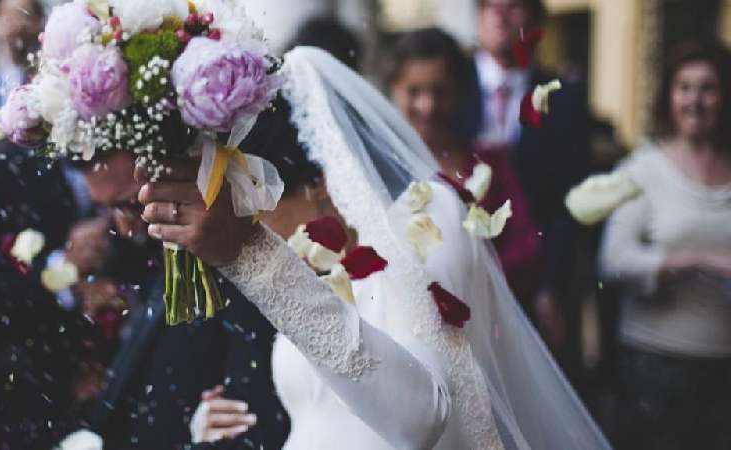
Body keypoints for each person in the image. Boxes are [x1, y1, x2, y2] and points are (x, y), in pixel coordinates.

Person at [142, 47, 610, 450]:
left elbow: (420, 416)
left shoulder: (430, 221)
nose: (265, 234)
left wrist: (254, 256)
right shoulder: (326, 271)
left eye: (261, 213)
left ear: (320, 184)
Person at [67, 150, 290, 450]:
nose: (124, 227)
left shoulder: (241, 263)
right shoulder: (150, 256)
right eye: (109, 211)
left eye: (133, 204)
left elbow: (254, 416)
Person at [600, 40, 731, 450]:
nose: (695, 100)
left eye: (707, 88)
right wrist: (702, 260)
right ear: (668, 97)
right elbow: (614, 260)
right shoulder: (643, 170)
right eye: (684, 87)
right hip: (654, 367)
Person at [461, 0, 592, 372]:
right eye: (489, 5)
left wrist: (551, 285)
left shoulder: (564, 98)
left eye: (514, 5)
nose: (500, 13)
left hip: (533, 281)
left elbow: (571, 201)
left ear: (535, 21)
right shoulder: (448, 91)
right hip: (463, 273)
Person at [386, 27, 542, 311]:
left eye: (440, 92)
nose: (427, 105)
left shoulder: (490, 162)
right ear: (394, 89)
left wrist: (471, 281)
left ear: (459, 92)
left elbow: (524, 245)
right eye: (414, 91)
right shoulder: (379, 165)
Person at [0, 0, 44, 108]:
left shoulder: (47, 79)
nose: (16, 26)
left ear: (38, 22)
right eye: (8, 17)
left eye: (23, 16)